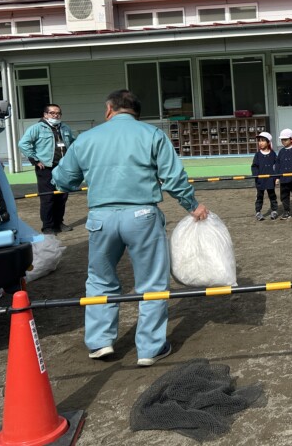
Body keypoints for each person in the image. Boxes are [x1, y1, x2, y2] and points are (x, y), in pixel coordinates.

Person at [51, 89, 209, 366]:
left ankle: (100, 342)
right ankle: (150, 348)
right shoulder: (152, 135)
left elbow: (63, 179)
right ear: (136, 112)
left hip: (100, 217)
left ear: (109, 109)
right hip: (142, 215)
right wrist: (192, 205)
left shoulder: (87, 138)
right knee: (151, 283)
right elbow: (173, 177)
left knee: (100, 280)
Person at [18, 103, 76, 234]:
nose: (56, 115)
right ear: (45, 115)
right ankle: (48, 226)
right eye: (52, 113)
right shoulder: (37, 128)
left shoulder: (65, 128)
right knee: (48, 198)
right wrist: (35, 159)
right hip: (46, 168)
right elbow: (23, 144)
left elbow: (73, 143)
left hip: (62, 168)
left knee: (62, 196)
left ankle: (58, 223)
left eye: (58, 113)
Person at [251, 132, 278, 221]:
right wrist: (256, 176)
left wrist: (277, 177)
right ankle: (258, 212)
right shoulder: (258, 155)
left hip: (271, 180)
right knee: (259, 196)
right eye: (259, 141)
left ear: (268, 142)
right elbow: (254, 166)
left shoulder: (273, 154)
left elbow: (277, 166)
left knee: (272, 195)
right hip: (260, 180)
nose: (260, 143)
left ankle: (274, 210)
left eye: (263, 141)